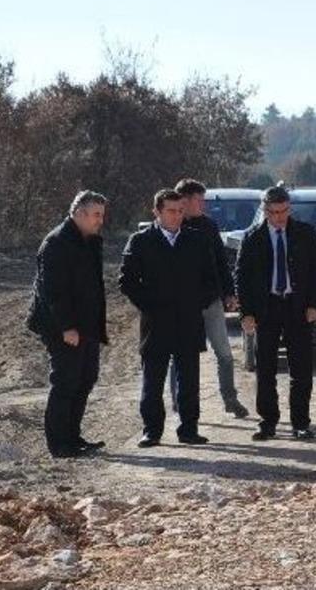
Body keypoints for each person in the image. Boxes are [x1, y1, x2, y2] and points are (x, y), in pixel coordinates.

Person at [119, 189, 218, 448]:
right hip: (156, 322)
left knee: (189, 380)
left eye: (180, 211)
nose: (176, 216)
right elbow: (127, 281)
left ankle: (189, 430)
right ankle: (152, 431)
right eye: (171, 211)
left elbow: (211, 278)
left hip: (188, 320)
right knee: (153, 381)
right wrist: (149, 305)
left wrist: (198, 303)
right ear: (157, 212)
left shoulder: (196, 240)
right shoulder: (141, 241)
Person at [233, 185, 316, 441]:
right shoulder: (252, 238)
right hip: (266, 309)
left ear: (289, 208)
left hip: (299, 308)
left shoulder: (305, 233)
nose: (280, 217)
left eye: (284, 211)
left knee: (302, 369)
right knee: (266, 370)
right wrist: (246, 313)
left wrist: (315, 305)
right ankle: (268, 422)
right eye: (274, 212)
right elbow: (242, 277)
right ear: (265, 211)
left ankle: (301, 423)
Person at [27, 190, 109, 458]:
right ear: (79, 213)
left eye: (102, 215)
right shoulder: (56, 243)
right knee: (65, 382)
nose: (100, 221)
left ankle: (73, 437)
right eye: (96, 215)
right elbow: (53, 291)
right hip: (61, 327)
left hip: (86, 326)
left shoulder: (91, 240)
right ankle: (59, 445)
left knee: (86, 378)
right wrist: (67, 327)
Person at [172, 178, 250, 419]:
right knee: (181, 355)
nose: (202, 204)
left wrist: (229, 293)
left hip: (211, 301)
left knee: (225, 353)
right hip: (182, 305)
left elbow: (220, 262)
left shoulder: (208, 226)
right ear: (184, 200)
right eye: (199, 200)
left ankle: (230, 398)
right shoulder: (172, 227)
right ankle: (179, 401)